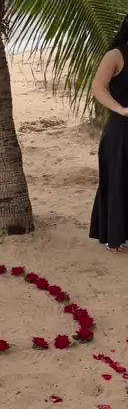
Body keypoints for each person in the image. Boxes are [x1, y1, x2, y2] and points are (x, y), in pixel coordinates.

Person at [90, 16, 128, 252]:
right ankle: (115, 236)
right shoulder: (116, 55)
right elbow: (98, 87)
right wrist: (121, 109)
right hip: (121, 130)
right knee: (118, 181)